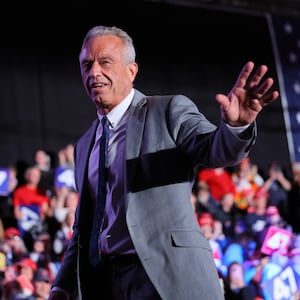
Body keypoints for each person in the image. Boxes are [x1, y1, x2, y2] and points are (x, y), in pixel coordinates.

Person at [48, 25, 279, 300]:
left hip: (169, 276)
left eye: (105, 62)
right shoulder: (84, 145)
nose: (94, 71)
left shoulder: (168, 111)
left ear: (131, 71)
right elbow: (83, 230)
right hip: (108, 283)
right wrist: (61, 287)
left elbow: (216, 150)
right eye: (87, 64)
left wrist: (237, 126)